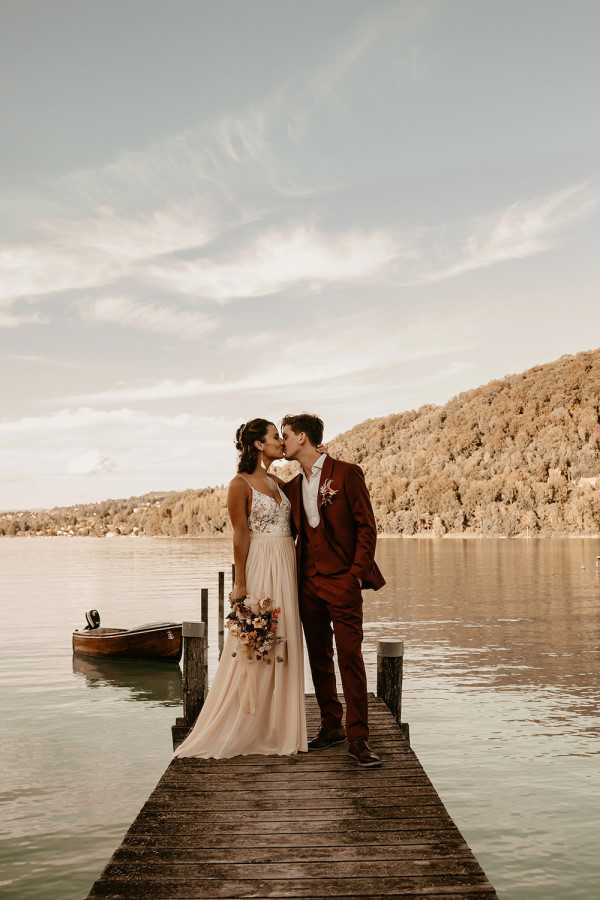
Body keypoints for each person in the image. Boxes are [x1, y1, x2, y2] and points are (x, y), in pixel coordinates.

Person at [173, 419, 307, 759]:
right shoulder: (239, 484)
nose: (280, 442)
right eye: (275, 437)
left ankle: (278, 726)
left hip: (286, 563)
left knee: (285, 640)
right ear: (259, 445)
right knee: (257, 644)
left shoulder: (278, 482)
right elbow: (240, 535)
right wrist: (242, 583)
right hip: (261, 564)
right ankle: (246, 725)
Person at [280, 413, 385, 768]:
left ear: (304, 438)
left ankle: (359, 739)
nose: (284, 442)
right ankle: (330, 726)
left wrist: (355, 575)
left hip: (343, 582)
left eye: (287, 436)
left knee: (350, 658)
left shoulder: (346, 473)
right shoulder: (291, 487)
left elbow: (366, 527)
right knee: (320, 659)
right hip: (308, 584)